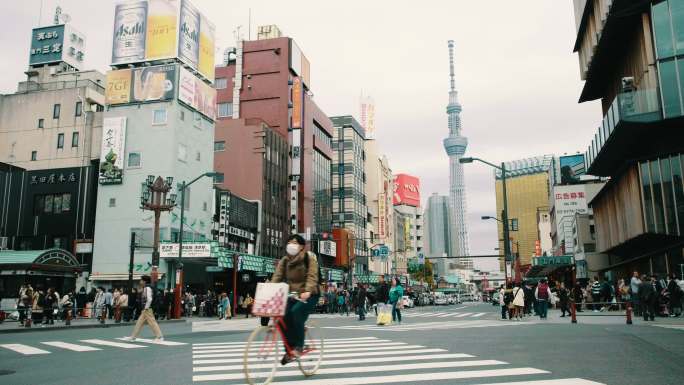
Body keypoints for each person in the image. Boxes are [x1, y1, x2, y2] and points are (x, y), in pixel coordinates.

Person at [269, 234, 321, 365]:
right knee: (282, 318)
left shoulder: (309, 259)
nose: (291, 245)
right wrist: (269, 290)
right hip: (293, 294)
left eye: (295, 242)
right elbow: (277, 276)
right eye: (289, 242)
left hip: (310, 293)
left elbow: (312, 276)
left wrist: (308, 290)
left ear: (302, 246)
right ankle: (289, 350)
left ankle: (299, 346)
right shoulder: (285, 261)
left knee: (296, 313)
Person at [122, 276, 163, 341]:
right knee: (139, 323)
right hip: (146, 308)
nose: (140, 281)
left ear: (144, 281)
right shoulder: (147, 287)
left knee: (152, 322)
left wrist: (146, 307)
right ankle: (133, 337)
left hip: (147, 309)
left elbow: (149, 299)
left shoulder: (147, 288)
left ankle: (159, 337)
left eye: (141, 280)